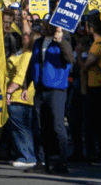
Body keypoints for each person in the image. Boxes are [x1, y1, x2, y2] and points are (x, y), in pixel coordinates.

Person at [26, 20, 74, 175]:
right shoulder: (39, 42)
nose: (44, 26)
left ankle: (62, 161)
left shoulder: (63, 41)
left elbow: (69, 58)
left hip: (56, 90)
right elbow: (33, 63)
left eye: (48, 24)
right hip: (40, 89)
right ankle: (44, 161)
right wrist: (26, 85)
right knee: (41, 126)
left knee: (57, 127)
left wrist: (60, 40)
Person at [81, 15, 101, 165]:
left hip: (98, 87)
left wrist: (79, 56)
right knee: (98, 122)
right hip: (96, 86)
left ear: (91, 28)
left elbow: (87, 65)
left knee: (99, 122)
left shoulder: (98, 45)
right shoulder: (99, 43)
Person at [5, 26, 36, 170]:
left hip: (19, 96)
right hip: (20, 96)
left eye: (26, 35)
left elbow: (20, 76)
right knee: (21, 128)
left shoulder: (27, 54)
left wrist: (9, 91)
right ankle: (25, 154)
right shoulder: (22, 52)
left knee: (21, 128)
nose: (23, 37)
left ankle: (27, 156)